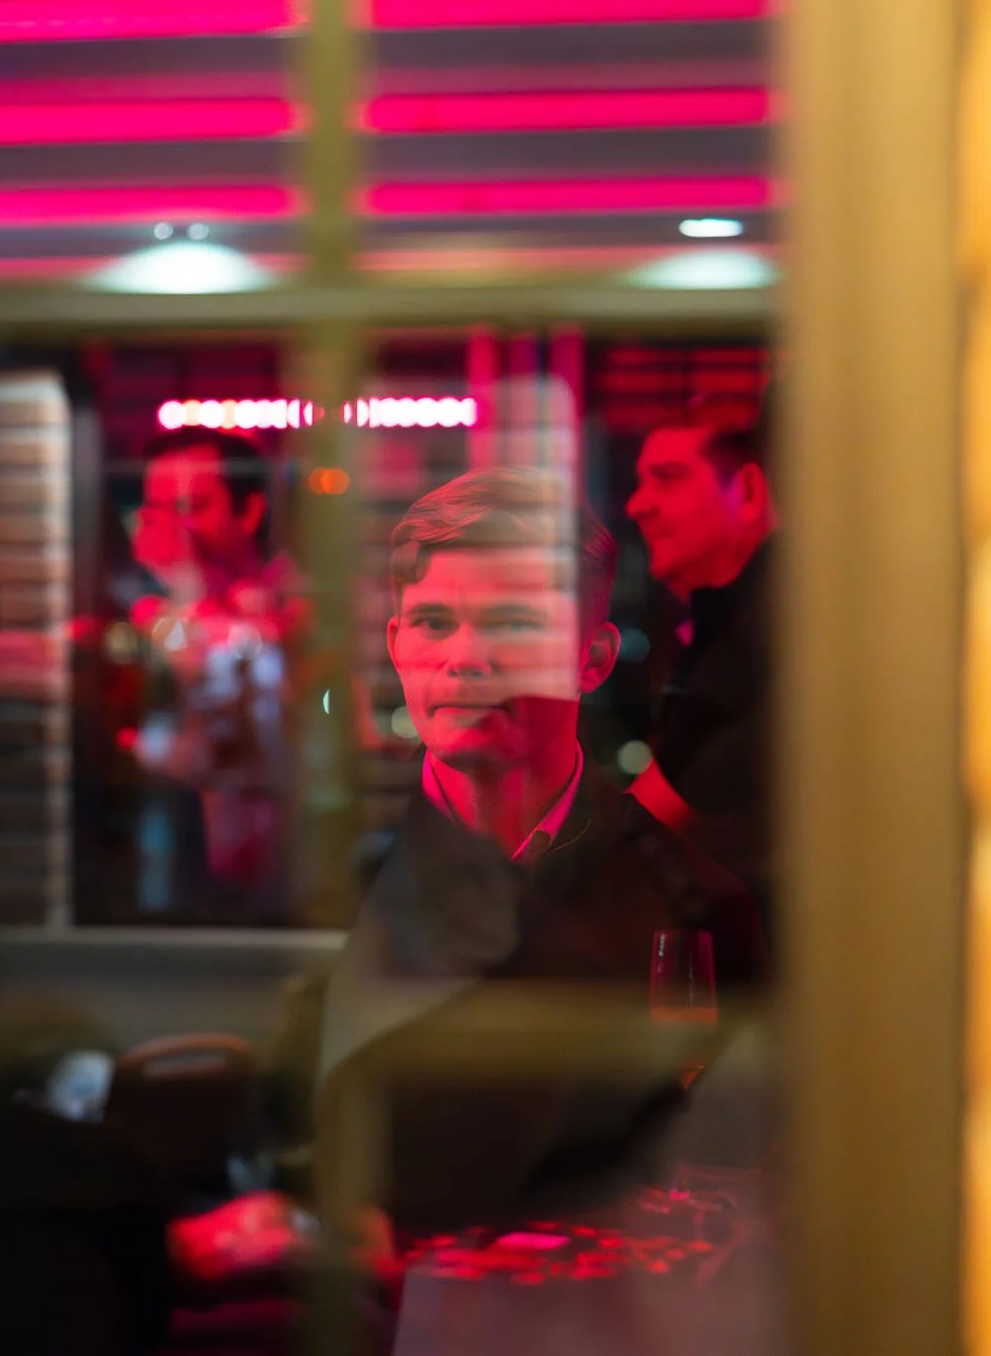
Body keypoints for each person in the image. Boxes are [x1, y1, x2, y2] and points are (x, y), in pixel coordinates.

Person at [276, 467, 769, 1239]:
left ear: (593, 657)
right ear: (396, 643)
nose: (466, 657)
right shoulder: (324, 890)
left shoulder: (693, 905)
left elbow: (729, 1187)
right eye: (435, 622)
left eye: (513, 623)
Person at [124, 429, 300, 916]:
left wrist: (188, 593)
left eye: (191, 507)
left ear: (250, 512)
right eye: (158, 510)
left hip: (281, 877)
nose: (173, 528)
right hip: (171, 867)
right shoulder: (151, 612)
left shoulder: (296, 606)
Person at [623, 396, 778, 911]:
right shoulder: (726, 620)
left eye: (667, 477)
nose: (636, 504)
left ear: (750, 491)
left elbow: (651, 819)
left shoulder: (768, 624)